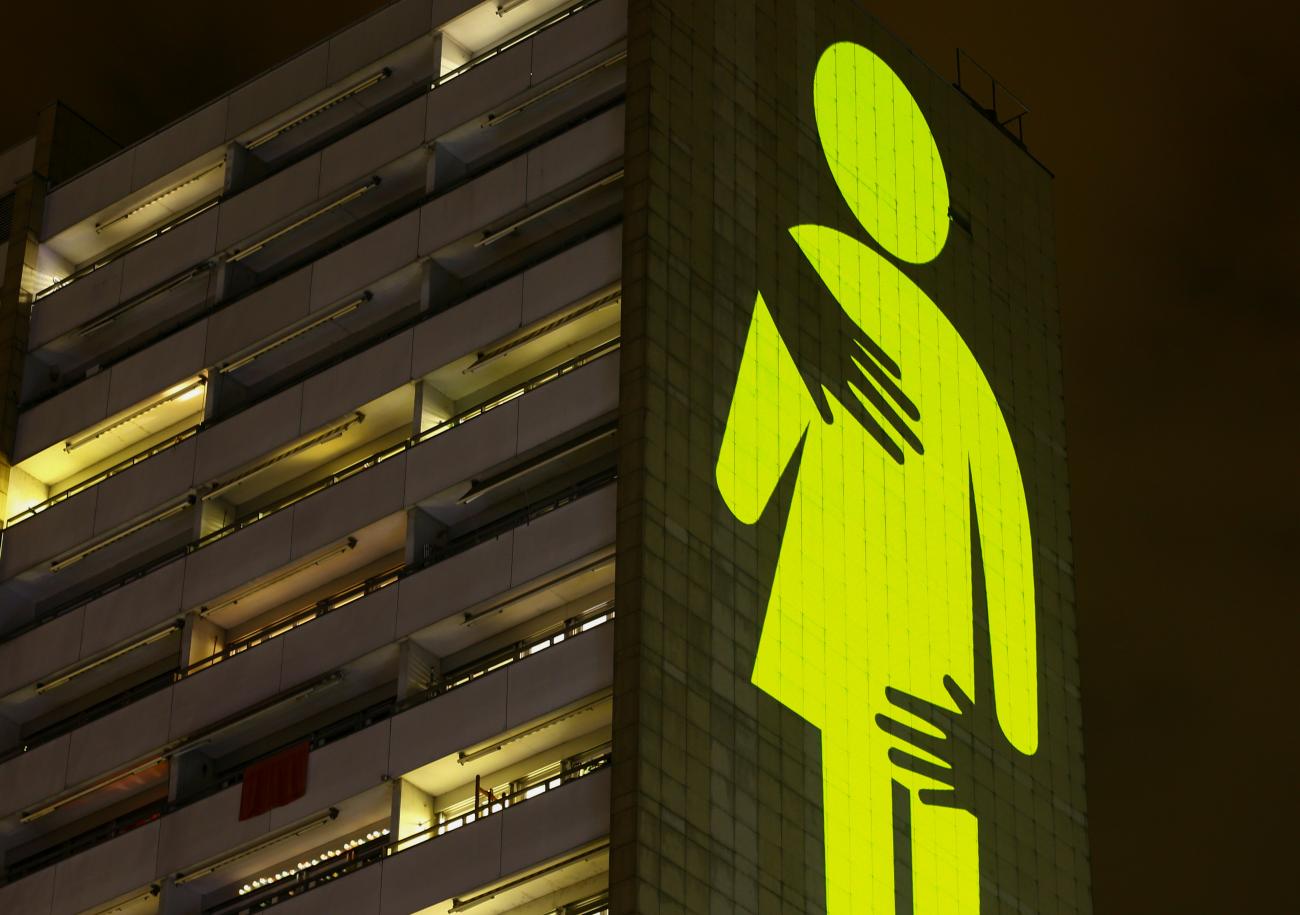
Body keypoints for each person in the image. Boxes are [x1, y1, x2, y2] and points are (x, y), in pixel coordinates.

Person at [715, 41, 1039, 914]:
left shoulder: (813, 292)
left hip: (846, 640)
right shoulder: (943, 352)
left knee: (862, 828)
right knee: (916, 838)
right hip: (923, 668)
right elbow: (1003, 531)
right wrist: (1009, 719)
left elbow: (742, 480)